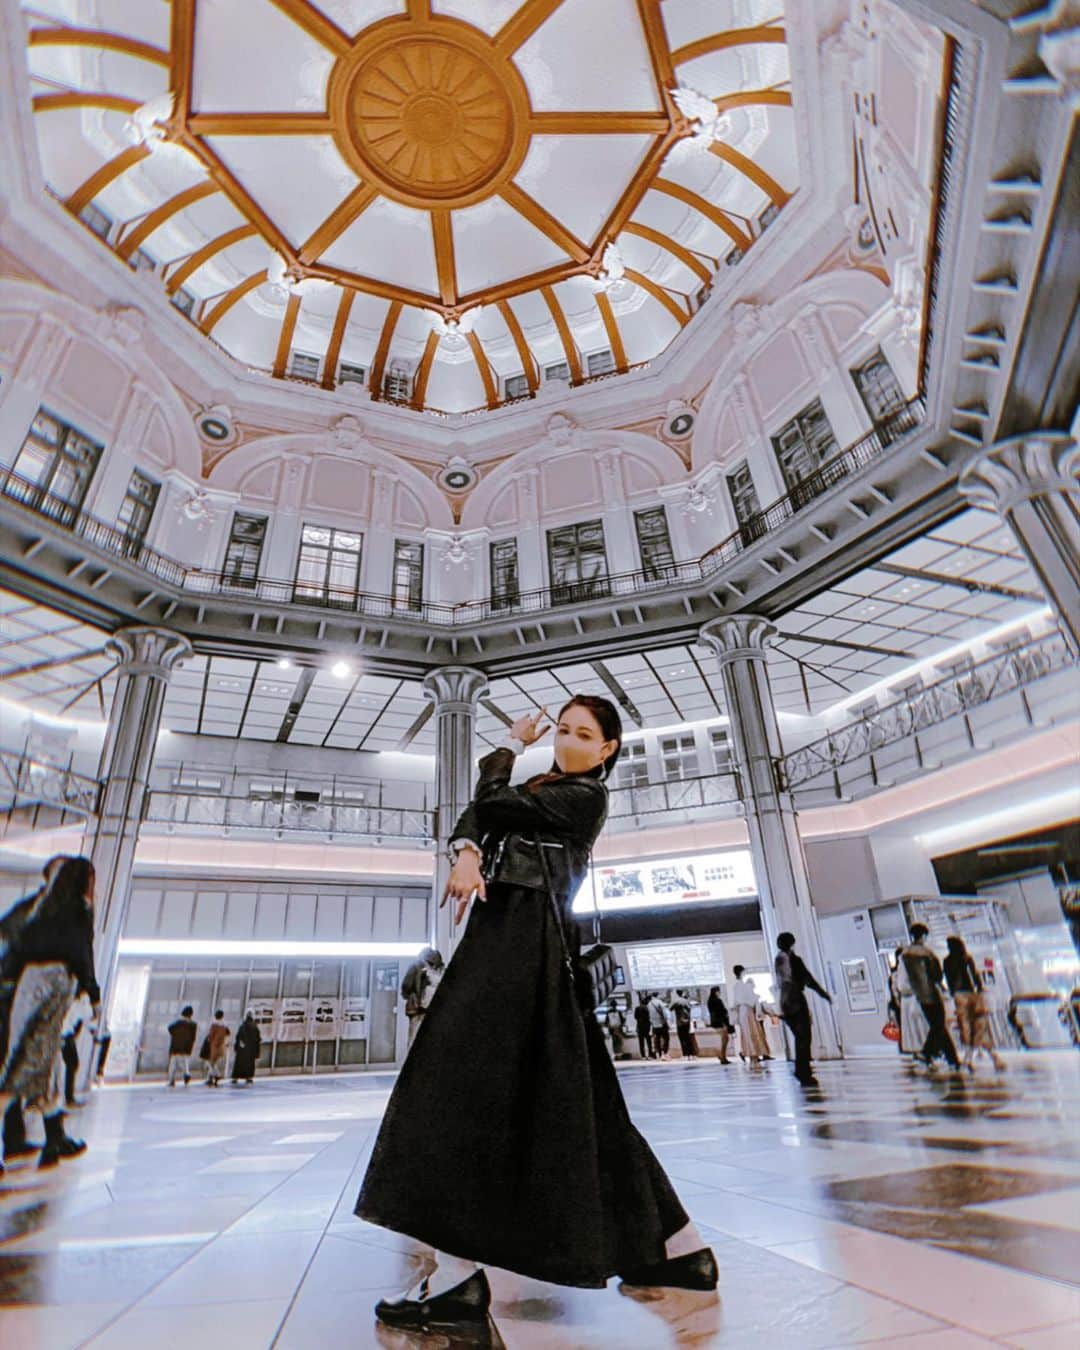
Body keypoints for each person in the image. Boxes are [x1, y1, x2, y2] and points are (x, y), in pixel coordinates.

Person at [357, 697, 717, 1333]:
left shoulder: (583, 798)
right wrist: (467, 853)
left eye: (584, 736)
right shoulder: (542, 787)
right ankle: (680, 1252)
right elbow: (479, 813)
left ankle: (460, 1280)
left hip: (527, 938)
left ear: (607, 750)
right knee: (587, 1105)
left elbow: (492, 801)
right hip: (511, 932)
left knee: (453, 1088)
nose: (569, 743)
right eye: (564, 731)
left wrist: (505, 748)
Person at [0, 856, 99, 1169]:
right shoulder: (75, 909)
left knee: (36, 1064)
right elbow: (82, 952)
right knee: (22, 1067)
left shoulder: (43, 908)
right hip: (52, 985)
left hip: (28, 985)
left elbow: (16, 943)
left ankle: (54, 1138)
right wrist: (92, 993)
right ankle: (47, 1138)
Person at [774, 932, 832, 1087]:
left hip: (785, 1001)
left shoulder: (779, 959)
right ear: (791, 943)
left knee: (799, 1038)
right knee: (804, 1037)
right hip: (796, 1000)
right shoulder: (794, 959)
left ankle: (801, 1069)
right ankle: (803, 1071)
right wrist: (823, 993)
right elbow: (807, 978)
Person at [902, 924, 960, 1070]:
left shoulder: (906, 954)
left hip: (920, 996)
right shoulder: (927, 953)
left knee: (938, 1027)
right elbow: (937, 976)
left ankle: (952, 1059)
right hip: (932, 995)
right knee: (938, 1026)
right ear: (923, 936)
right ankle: (927, 1053)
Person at [944, 936, 1005, 1072]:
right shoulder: (966, 958)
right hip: (972, 994)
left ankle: (969, 1058)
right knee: (979, 1024)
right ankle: (991, 1057)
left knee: (966, 1026)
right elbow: (974, 976)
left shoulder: (947, 961)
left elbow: (949, 980)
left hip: (958, 996)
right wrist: (979, 988)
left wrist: (953, 992)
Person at [400, 947, 445, 1049]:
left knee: (414, 1035)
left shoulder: (416, 967)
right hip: (425, 1007)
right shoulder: (439, 969)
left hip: (419, 1008)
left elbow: (405, 987)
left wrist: (409, 994)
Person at [731, 966, 769, 1066]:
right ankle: (752, 1053)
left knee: (748, 1031)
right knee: (750, 1031)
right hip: (746, 1010)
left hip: (744, 1011)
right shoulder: (742, 985)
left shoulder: (738, 986)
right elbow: (749, 999)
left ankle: (752, 1053)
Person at [167, 1006, 197, 1086]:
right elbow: (193, 1037)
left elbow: (170, 1028)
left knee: (173, 1063)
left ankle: (171, 1081)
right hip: (186, 1047)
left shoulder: (178, 1022)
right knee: (185, 1062)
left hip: (176, 1045)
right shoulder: (193, 1025)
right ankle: (186, 1074)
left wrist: (175, 1036)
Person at [232, 1012, 261, 1083]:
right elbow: (258, 1040)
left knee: (239, 1064)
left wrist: (236, 1047)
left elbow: (238, 1037)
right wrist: (257, 1052)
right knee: (250, 1064)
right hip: (251, 1050)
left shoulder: (242, 1026)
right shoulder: (255, 1027)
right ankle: (248, 1077)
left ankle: (236, 1077)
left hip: (242, 1049)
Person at [707, 986, 733, 1064]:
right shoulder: (717, 1001)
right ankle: (722, 1056)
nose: (719, 993)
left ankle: (722, 1056)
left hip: (715, 1022)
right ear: (716, 992)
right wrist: (725, 1022)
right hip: (721, 1022)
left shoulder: (710, 1001)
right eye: (718, 991)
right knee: (725, 1039)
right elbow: (722, 1012)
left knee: (724, 1039)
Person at [204, 1009, 230, 1086]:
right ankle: (210, 1079)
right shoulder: (225, 1025)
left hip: (214, 1046)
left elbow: (210, 1036)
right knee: (213, 1063)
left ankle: (217, 1075)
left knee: (210, 1063)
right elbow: (228, 1034)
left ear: (215, 1016)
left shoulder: (214, 1025)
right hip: (221, 1047)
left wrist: (209, 1040)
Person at [670, 990, 696, 1059]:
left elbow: (670, 1008)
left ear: (677, 994)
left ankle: (685, 1054)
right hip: (687, 1021)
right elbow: (690, 1009)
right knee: (688, 1038)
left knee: (682, 1039)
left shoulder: (676, 1001)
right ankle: (691, 1054)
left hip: (679, 1022)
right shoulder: (686, 1001)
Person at [648, 992, 670, 1058]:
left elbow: (649, 1015)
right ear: (657, 996)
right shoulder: (660, 1002)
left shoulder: (649, 1004)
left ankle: (659, 1054)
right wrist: (666, 1021)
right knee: (666, 1038)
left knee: (657, 1039)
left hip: (654, 1025)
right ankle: (665, 1053)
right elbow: (665, 1014)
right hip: (662, 1024)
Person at [633, 994, 654, 1059]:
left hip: (639, 1027)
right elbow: (650, 1017)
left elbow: (635, 1017)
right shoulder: (648, 1008)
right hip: (647, 1027)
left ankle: (643, 1055)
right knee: (649, 1042)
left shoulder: (637, 1008)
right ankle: (650, 1054)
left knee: (641, 1042)